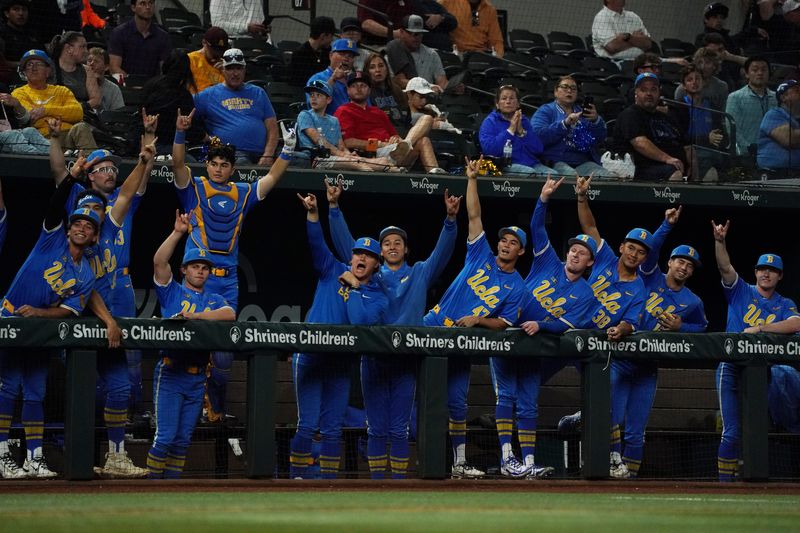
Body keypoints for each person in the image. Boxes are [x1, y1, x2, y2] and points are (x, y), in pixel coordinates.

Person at [326, 179, 460, 479]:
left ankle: (399, 485)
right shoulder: (372, 276)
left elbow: (442, 253)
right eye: (386, 243)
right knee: (376, 428)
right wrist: (333, 208)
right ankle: (377, 487)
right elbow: (350, 248)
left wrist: (450, 220)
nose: (392, 246)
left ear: (406, 249)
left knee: (399, 428)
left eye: (398, 242)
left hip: (405, 359)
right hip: (374, 357)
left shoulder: (420, 272)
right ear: (380, 252)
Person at [171, 110, 295, 423]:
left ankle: (215, 411)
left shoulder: (242, 192)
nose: (218, 168)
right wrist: (180, 133)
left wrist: (288, 150)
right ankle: (188, 410)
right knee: (189, 347)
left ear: (232, 168)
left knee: (224, 358)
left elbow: (270, 179)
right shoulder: (194, 189)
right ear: (207, 164)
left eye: (224, 164)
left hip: (227, 282)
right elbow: (178, 165)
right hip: (196, 281)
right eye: (213, 163)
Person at [48, 118, 155, 478]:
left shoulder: (112, 219)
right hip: (79, 304)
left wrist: (145, 155)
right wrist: (55, 139)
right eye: (103, 169)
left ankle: (116, 455)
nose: (92, 215)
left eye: (112, 168)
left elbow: (128, 192)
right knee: (76, 382)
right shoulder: (77, 216)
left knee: (121, 385)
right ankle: (74, 451)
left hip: (113, 296)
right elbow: (60, 175)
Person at [423, 156, 528, 479]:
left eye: (513, 243)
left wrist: (479, 319)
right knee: (418, 394)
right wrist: (471, 179)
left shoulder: (517, 287)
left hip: (464, 341)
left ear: (521, 251)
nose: (506, 245)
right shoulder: (481, 253)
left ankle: (459, 463)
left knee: (457, 404)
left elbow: (504, 324)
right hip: (434, 325)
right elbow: (474, 215)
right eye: (504, 240)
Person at [492, 176, 595, 480]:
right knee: (506, 397)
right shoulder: (548, 261)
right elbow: (537, 229)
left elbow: (565, 325)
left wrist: (542, 323)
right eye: (573, 249)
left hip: (535, 344)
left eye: (582, 252)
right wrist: (543, 199)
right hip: (509, 333)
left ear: (589, 263)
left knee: (527, 404)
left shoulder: (587, 294)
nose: (575, 254)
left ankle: (528, 461)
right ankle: (507, 458)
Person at [0, 171, 100, 479]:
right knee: (8, 387)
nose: (81, 228)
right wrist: (71, 178)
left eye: (88, 226)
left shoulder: (86, 275)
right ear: (68, 230)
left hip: (39, 327)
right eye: (77, 223)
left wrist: (41, 313)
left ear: (95, 237)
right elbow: (56, 206)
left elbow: (68, 311)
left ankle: (34, 458)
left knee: (35, 392)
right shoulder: (51, 240)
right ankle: (2, 454)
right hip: (10, 318)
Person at [290, 192, 389, 479]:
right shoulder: (332, 268)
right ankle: (296, 480)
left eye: (369, 256)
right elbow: (316, 244)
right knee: (307, 425)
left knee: (332, 428)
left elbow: (359, 323)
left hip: (340, 363)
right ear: (351, 256)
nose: (361, 257)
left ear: (376, 264)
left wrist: (355, 288)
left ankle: (329, 484)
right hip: (310, 357)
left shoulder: (379, 297)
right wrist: (312, 214)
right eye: (358, 253)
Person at [612, 206, 706, 478]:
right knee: (612, 420)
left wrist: (681, 327)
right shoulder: (649, 276)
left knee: (636, 430)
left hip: (647, 365)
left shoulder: (693, 301)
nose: (684, 267)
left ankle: (629, 480)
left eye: (689, 265)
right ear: (669, 262)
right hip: (622, 355)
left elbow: (702, 328)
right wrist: (667, 225)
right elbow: (651, 249)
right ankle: (610, 470)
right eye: (680, 261)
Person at [147, 211, 235, 479]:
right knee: (165, 437)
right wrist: (177, 233)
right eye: (195, 266)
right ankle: (151, 490)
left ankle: (171, 491)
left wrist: (196, 317)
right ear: (184, 269)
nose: (200, 271)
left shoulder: (213, 299)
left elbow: (230, 314)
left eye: (204, 267)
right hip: (171, 372)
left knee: (183, 440)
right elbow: (159, 261)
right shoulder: (172, 291)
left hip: (197, 378)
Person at [711, 219, 800, 481]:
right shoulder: (741, 291)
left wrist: (760, 328)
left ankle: (752, 480)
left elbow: (796, 323)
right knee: (731, 432)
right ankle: (725, 487)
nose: (766, 273)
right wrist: (719, 242)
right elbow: (725, 267)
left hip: (762, 372)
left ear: (780, 276)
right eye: (762, 269)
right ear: (756, 272)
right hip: (731, 367)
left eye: (772, 270)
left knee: (757, 429)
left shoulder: (784, 303)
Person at [575, 174, 650, 478]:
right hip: (574, 331)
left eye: (640, 251)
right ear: (621, 247)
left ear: (644, 258)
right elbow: (589, 227)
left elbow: (631, 322)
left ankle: (614, 456)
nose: (634, 253)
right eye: (631, 247)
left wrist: (622, 330)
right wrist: (582, 197)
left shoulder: (639, 288)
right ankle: (580, 415)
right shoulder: (604, 258)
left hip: (600, 346)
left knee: (609, 407)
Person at [335, 70, 446, 173]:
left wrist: (396, 139)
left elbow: (395, 136)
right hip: (373, 155)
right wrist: (379, 144)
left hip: (394, 150)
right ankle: (405, 147)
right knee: (414, 142)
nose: (359, 89)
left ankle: (435, 174)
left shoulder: (378, 112)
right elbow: (349, 142)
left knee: (426, 128)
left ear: (369, 90)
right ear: (347, 90)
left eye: (363, 86)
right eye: (354, 86)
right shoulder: (344, 110)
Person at [194, 47, 278, 166]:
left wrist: (268, 154)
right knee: (242, 162)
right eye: (230, 68)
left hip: (263, 153)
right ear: (222, 70)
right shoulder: (208, 95)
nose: (235, 73)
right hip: (230, 155)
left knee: (298, 160)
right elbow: (186, 114)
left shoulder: (258, 92)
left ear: (244, 70)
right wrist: (204, 137)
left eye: (239, 68)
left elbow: (272, 128)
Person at [294, 80, 394, 171]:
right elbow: (319, 140)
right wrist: (344, 156)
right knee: (356, 163)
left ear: (328, 100)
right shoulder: (305, 115)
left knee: (381, 161)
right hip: (316, 158)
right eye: (311, 95)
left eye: (318, 95)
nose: (313, 98)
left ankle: (390, 168)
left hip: (337, 157)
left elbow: (341, 146)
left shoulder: (334, 120)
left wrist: (349, 154)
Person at [10, 49, 96, 150]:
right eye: (29, 65)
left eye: (39, 64)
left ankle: (94, 160)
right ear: (24, 72)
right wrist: (62, 114)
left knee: (81, 127)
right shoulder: (18, 93)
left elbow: (77, 113)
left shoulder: (62, 91)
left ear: (48, 71)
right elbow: (32, 118)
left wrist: (46, 110)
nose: (34, 68)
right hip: (41, 139)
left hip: (69, 135)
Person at [531, 75, 614, 178]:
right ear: (556, 91)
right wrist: (564, 124)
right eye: (565, 87)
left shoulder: (582, 112)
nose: (569, 91)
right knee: (571, 176)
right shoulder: (546, 110)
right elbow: (537, 136)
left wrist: (596, 121)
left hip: (582, 161)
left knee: (606, 176)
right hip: (555, 160)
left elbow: (600, 138)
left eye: (573, 88)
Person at [613, 73, 689, 181]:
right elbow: (640, 143)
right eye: (644, 90)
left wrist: (692, 165)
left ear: (659, 93)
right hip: (642, 169)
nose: (649, 93)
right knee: (674, 173)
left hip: (676, 167)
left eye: (653, 90)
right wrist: (667, 159)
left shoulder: (667, 118)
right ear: (636, 93)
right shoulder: (630, 114)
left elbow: (686, 145)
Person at [478, 84, 550, 176]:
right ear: (497, 104)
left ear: (518, 104)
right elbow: (490, 150)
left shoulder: (524, 121)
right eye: (504, 98)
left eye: (512, 98)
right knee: (530, 173)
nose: (508, 101)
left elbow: (538, 149)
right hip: (504, 166)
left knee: (554, 175)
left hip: (531, 164)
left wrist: (521, 131)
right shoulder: (490, 122)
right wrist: (510, 130)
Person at [141, 50, 204, 156]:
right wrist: (207, 138)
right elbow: (192, 129)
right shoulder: (183, 95)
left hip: (144, 142)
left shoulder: (149, 85)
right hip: (166, 147)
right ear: (186, 71)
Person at [673, 65, 728, 181]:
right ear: (684, 86)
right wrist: (706, 138)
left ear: (704, 82)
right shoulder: (679, 107)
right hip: (689, 152)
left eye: (697, 79)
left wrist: (718, 137)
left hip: (711, 152)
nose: (694, 82)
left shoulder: (712, 107)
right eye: (689, 80)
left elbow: (721, 135)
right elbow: (680, 138)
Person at [725, 56, 776, 156]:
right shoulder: (735, 97)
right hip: (745, 155)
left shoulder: (776, 97)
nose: (760, 73)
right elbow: (732, 128)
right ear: (747, 74)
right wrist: (748, 148)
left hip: (772, 152)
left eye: (764, 70)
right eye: (755, 70)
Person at [108, 0, 172, 79]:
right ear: (133, 8)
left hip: (152, 85)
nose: (148, 7)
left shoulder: (163, 36)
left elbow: (165, 70)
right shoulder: (119, 33)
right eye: (142, 3)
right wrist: (129, 83)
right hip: (125, 84)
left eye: (150, 3)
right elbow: (114, 68)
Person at [385, 15, 447, 92]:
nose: (416, 37)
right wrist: (429, 87)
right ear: (401, 32)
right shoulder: (392, 52)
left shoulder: (431, 54)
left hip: (429, 96)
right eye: (412, 33)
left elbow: (442, 82)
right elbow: (398, 82)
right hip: (403, 96)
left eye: (419, 33)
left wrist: (451, 87)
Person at [306, 38, 360, 116]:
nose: (346, 59)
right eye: (342, 54)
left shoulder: (356, 81)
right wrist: (333, 79)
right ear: (331, 55)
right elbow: (315, 106)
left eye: (350, 56)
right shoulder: (317, 78)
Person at [50, 31, 102, 111]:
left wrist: (75, 109)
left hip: (80, 114)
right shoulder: (48, 68)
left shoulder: (87, 71)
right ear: (69, 48)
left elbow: (96, 100)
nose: (86, 51)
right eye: (82, 47)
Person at [756, 79, 800, 172]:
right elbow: (789, 139)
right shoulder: (774, 114)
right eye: (797, 91)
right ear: (783, 97)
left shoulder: (796, 119)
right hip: (774, 173)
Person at [675, 47, 729, 113]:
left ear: (714, 66)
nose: (702, 66)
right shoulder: (683, 89)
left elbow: (723, 113)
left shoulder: (721, 87)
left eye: (707, 62)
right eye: (700, 62)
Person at [289, 16, 336, 87]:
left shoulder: (328, 52)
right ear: (323, 36)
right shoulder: (300, 54)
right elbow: (298, 82)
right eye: (331, 36)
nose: (332, 39)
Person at [365, 52, 406, 129]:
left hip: (403, 130)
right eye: (372, 67)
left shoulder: (397, 90)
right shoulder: (365, 93)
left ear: (386, 69)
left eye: (381, 66)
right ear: (367, 72)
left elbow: (407, 114)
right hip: (380, 132)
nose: (377, 70)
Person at [187, 26, 230, 95]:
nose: (217, 53)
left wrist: (226, 73)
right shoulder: (190, 60)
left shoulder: (224, 65)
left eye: (220, 50)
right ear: (204, 42)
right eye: (213, 49)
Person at [87, 47, 125, 113]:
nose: (91, 63)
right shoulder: (79, 83)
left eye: (96, 61)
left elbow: (118, 114)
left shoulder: (114, 89)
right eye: (89, 60)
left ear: (106, 67)